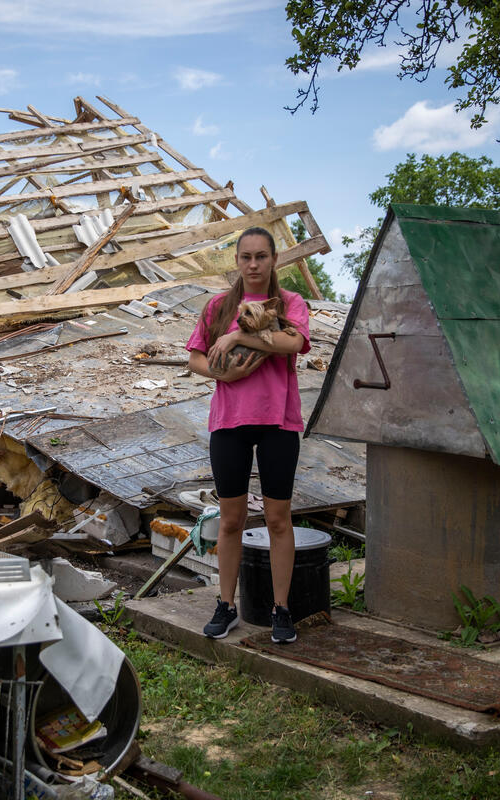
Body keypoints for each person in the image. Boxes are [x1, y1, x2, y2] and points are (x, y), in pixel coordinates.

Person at [185, 226, 310, 644]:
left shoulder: (289, 303)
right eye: (246, 257)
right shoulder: (219, 306)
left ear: (274, 260)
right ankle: (226, 604)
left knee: (277, 519)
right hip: (229, 423)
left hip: (278, 422)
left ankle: (281, 609)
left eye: (261, 256)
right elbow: (196, 360)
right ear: (236, 261)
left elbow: (293, 344)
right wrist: (225, 371)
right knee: (231, 519)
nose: (253, 264)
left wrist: (239, 334)